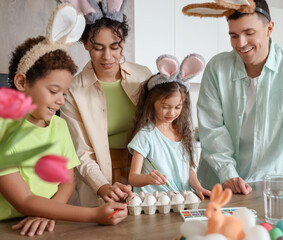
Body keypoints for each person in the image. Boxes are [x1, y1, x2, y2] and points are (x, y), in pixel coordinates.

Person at [183, 0, 283, 207]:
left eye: (249, 33)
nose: (241, 43)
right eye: (233, 36)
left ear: (269, 27)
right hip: (218, 185)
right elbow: (213, 128)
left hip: (269, 186)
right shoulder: (217, 67)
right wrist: (228, 174)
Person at [0, 4, 128, 237]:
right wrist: (94, 215)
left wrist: (50, 211)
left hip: (46, 221)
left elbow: (66, 183)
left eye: (64, 92)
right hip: (12, 227)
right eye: (53, 91)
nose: (60, 101)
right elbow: (24, 200)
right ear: (21, 82)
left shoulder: (58, 126)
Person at [60, 0, 151, 207]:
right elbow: (80, 151)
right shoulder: (73, 91)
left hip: (144, 175)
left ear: (123, 43)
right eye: (98, 48)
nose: (107, 56)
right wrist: (102, 186)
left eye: (115, 47)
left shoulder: (143, 76)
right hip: (99, 177)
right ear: (86, 45)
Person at [127, 54, 211, 199]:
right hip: (155, 203)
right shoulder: (146, 135)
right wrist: (148, 178)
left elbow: (188, 170)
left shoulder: (182, 132)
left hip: (182, 200)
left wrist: (198, 187)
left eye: (177, 107)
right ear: (152, 102)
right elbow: (133, 177)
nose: (172, 113)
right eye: (165, 107)